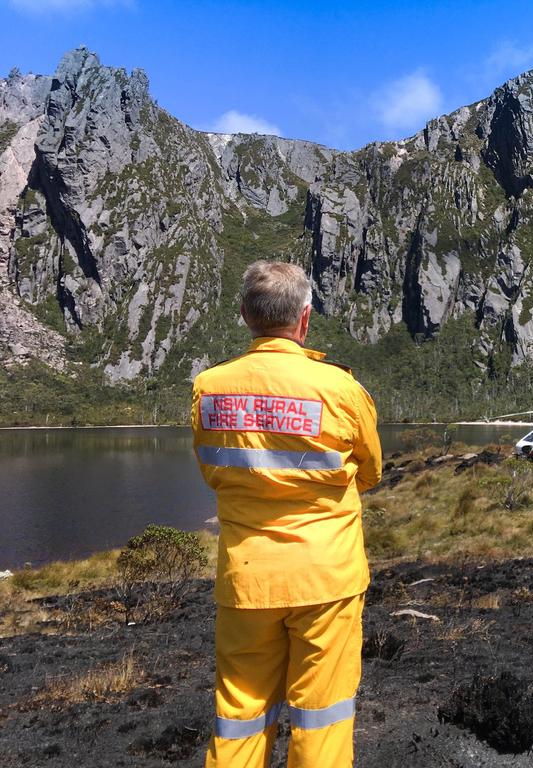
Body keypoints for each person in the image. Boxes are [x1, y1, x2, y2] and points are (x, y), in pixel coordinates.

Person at [191, 260, 382, 768]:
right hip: (327, 577)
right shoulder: (341, 389)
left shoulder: (209, 387)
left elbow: (212, 470)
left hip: (247, 578)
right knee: (322, 717)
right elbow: (371, 471)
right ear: (305, 319)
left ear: (244, 315)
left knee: (240, 715)